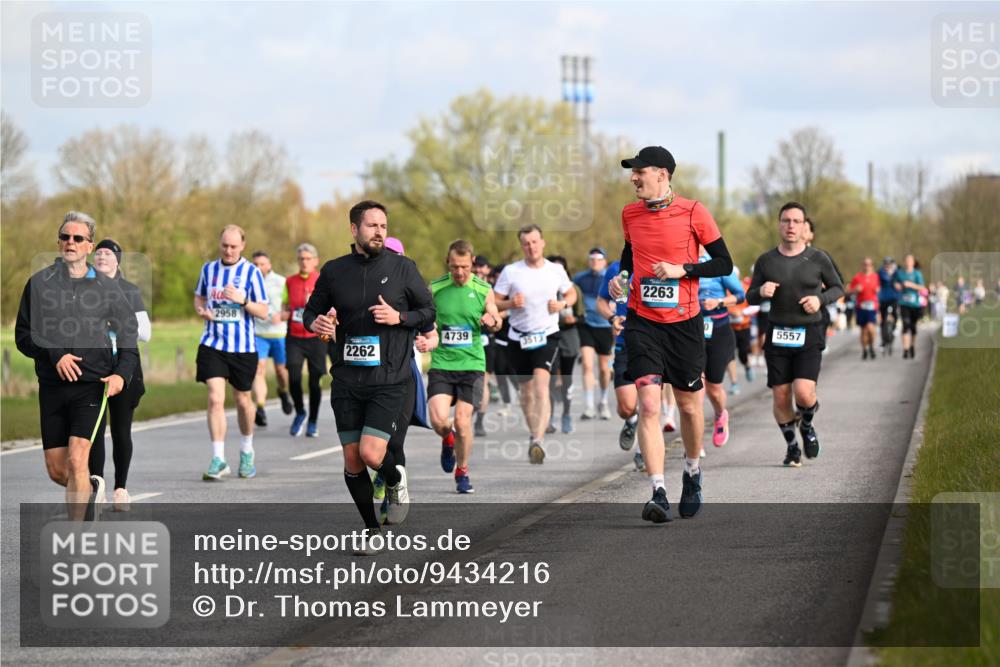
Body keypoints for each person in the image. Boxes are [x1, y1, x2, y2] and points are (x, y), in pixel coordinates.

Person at [609, 146, 734, 523]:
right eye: (632, 172)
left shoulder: (695, 212)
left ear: (662, 174)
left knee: (689, 407)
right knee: (648, 404)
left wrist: (685, 270)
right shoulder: (629, 214)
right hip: (642, 320)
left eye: (640, 171)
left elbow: (723, 263)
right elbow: (630, 254)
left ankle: (692, 471)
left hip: (685, 324)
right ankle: (658, 491)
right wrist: (622, 278)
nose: (633, 178)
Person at [303, 201, 435, 550]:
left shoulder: (404, 268)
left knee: (373, 454)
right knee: (352, 458)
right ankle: (371, 529)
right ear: (354, 229)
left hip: (388, 379)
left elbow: (428, 312)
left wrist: (399, 319)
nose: (379, 232)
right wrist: (316, 322)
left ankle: (394, 478)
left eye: (383, 226)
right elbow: (311, 310)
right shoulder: (334, 271)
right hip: (347, 379)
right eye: (372, 225)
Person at [15, 212, 139, 520]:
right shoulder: (39, 284)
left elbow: (128, 333)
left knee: (77, 458)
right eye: (65, 237)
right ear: (59, 242)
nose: (71, 242)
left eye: (78, 238)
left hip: (91, 385)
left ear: (89, 246)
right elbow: (23, 335)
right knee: (59, 470)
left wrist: (122, 374)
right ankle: (90, 489)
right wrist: (55, 354)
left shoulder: (107, 288)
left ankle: (78, 541)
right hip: (52, 387)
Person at [747, 202, 844, 467]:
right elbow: (749, 296)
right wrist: (761, 291)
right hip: (777, 332)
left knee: (803, 392)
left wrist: (820, 299)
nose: (791, 226)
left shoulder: (818, 258)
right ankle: (791, 446)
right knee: (780, 395)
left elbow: (838, 288)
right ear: (779, 224)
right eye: (786, 220)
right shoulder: (767, 260)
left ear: (804, 227)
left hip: (809, 331)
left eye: (796, 221)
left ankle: (808, 425)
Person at [494, 225, 576, 464]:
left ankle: (539, 440)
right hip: (518, 336)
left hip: (547, 335)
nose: (531, 247)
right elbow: (495, 302)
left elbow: (571, 294)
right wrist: (510, 304)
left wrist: (562, 305)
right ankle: (534, 434)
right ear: (522, 246)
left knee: (541, 388)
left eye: (534, 241)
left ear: (543, 242)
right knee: (526, 392)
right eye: (526, 243)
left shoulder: (556, 270)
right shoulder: (511, 272)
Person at [424, 240, 501, 494]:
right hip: (443, 364)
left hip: (472, 365)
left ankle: (463, 471)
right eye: (455, 267)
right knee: (438, 420)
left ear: (472, 262)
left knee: (462, 420)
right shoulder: (435, 288)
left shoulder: (482, 288)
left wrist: (492, 318)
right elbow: (426, 321)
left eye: (465, 267)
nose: (459, 272)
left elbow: (495, 315)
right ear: (448, 262)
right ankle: (447, 440)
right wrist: (428, 334)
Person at [194, 225, 270, 481]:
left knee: (242, 401)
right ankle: (218, 458)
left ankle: (247, 450)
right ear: (220, 243)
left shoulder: (251, 273)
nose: (228, 250)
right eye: (225, 245)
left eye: (233, 246)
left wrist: (243, 301)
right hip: (212, 344)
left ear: (242, 246)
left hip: (243, 348)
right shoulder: (208, 269)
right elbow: (199, 298)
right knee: (216, 398)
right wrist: (202, 310)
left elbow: (263, 311)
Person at [88, 239, 150, 511]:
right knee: (94, 431)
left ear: (117, 261)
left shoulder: (129, 290)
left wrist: (119, 322)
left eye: (108, 253)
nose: (102, 257)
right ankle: (97, 487)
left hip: (124, 368)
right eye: (98, 252)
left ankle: (121, 489)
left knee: (121, 430)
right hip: (94, 369)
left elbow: (145, 333)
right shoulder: (84, 289)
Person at [597, 260, 643, 471]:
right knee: (625, 408)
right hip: (625, 342)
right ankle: (631, 420)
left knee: (650, 402)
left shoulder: (659, 264)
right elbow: (601, 300)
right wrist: (612, 317)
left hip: (655, 342)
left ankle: (644, 451)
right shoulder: (618, 270)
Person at [697, 247, 745, 449]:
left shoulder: (717, 264)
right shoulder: (678, 262)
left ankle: (720, 414)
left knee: (714, 388)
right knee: (694, 390)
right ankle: (695, 444)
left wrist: (719, 302)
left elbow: (740, 295)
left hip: (718, 329)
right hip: (691, 330)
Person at [283, 243, 326, 437]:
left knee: (314, 381)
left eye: (308, 258)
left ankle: (313, 421)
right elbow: (285, 306)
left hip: (315, 338)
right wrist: (283, 314)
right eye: (301, 259)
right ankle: (300, 412)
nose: (304, 262)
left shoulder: (322, 280)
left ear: (315, 261)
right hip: (295, 337)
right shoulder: (289, 281)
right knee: (293, 377)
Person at [251, 250, 292, 426]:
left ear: (269, 265)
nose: (259, 267)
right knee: (258, 370)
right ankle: (260, 407)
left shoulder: (281, 282)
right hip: (258, 333)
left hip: (279, 334)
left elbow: (292, 308)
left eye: (262, 264)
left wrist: (282, 316)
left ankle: (283, 391)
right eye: (255, 264)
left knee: (281, 372)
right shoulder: (248, 282)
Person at [573, 247, 613, 420]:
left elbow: (623, 297)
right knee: (588, 366)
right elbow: (570, 293)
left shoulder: (611, 277)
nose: (595, 262)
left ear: (604, 262)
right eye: (592, 259)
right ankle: (588, 405)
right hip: (587, 325)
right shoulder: (580, 278)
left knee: (604, 369)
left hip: (605, 326)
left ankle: (603, 402)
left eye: (598, 259)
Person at [548, 255, 584, 434]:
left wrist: (573, 319)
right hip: (548, 336)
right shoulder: (543, 287)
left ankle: (567, 414)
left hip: (569, 336)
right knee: (550, 379)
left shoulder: (573, 289)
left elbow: (582, 316)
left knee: (567, 378)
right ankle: (550, 417)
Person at [847, 257, 881, 360]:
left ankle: (872, 346)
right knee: (863, 330)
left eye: (869, 264)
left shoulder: (876, 277)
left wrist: (878, 289)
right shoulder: (857, 277)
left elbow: (880, 288)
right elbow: (848, 290)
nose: (867, 266)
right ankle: (865, 349)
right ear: (863, 265)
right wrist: (855, 289)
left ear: (872, 266)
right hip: (861, 306)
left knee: (871, 328)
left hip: (872, 306)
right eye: (865, 264)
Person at [893, 254, 925, 359]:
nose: (908, 262)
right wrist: (897, 285)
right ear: (904, 261)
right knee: (905, 324)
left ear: (913, 262)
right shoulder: (899, 273)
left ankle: (912, 346)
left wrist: (911, 285)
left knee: (913, 327)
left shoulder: (917, 274)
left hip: (915, 304)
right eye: (906, 260)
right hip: (903, 303)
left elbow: (922, 287)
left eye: (910, 260)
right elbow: (894, 282)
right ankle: (906, 349)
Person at [877, 257, 899, 353]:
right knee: (883, 319)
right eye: (886, 264)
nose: (887, 266)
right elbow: (885, 279)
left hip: (894, 297)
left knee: (895, 314)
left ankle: (894, 328)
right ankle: (883, 339)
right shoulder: (881, 272)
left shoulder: (897, 272)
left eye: (889, 264)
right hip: (883, 298)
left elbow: (901, 280)